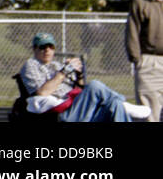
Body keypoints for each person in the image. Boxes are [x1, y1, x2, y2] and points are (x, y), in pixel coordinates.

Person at [20, 33, 150, 122]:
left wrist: (79, 74)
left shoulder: (57, 65)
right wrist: (64, 71)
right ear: (34, 49)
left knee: (115, 105)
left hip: (78, 107)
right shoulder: (31, 65)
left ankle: (120, 103)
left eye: (51, 47)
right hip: (63, 113)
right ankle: (125, 103)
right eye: (42, 47)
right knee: (95, 85)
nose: (47, 50)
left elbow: (79, 88)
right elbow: (42, 92)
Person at [126, 0, 163, 122]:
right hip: (150, 63)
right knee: (149, 114)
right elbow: (132, 33)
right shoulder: (140, 3)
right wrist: (137, 60)